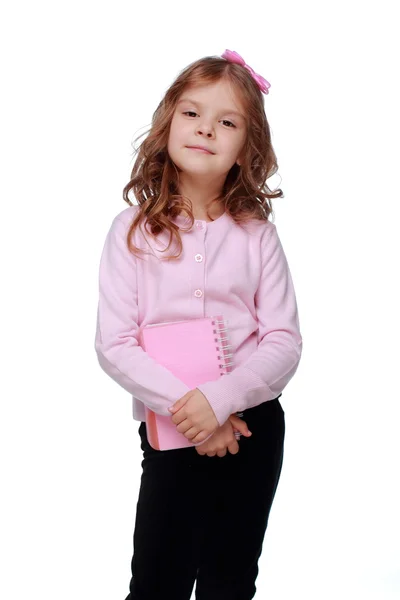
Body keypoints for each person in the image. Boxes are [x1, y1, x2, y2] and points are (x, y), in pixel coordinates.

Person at [94, 49, 303, 600]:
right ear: (168, 122)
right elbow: (115, 343)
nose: (206, 129)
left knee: (230, 582)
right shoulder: (131, 232)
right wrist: (195, 412)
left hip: (253, 433)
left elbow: (283, 340)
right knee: (157, 584)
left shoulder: (258, 236)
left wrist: (223, 399)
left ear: (246, 148)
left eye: (227, 121)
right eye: (192, 113)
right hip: (170, 434)